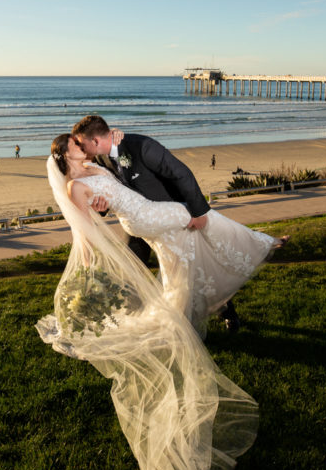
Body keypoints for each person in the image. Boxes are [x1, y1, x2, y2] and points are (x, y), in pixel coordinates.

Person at [35, 133, 278, 470]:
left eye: (83, 142)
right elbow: (88, 226)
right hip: (145, 219)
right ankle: (244, 256)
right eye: (77, 145)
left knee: (189, 241)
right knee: (193, 224)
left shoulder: (96, 167)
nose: (83, 147)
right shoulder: (76, 185)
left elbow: (115, 187)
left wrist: (106, 195)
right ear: (66, 154)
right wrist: (98, 247)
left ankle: (224, 277)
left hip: (146, 212)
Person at [72, 115, 274, 332]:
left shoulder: (142, 147)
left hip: (168, 216)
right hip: (138, 223)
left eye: (82, 144)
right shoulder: (100, 159)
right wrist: (102, 207)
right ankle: (135, 315)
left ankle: (226, 310)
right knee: (131, 267)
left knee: (193, 265)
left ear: (95, 141)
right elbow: (111, 192)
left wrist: (198, 212)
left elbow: (181, 173)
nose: (81, 149)